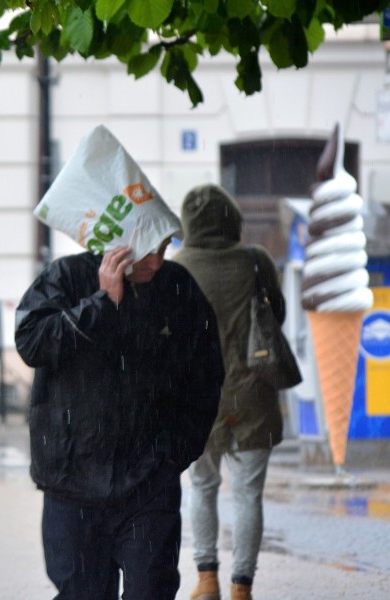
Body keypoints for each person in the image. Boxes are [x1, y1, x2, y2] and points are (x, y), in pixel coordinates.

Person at [15, 237, 224, 600]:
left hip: (149, 481)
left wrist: (175, 453)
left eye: (163, 248)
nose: (157, 262)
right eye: (148, 250)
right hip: (72, 481)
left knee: (152, 589)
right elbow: (32, 342)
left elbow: (205, 373)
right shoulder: (66, 276)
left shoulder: (176, 286)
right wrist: (101, 303)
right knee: (82, 593)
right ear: (120, 241)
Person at [173, 184, 285, 600]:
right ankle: (242, 585)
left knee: (201, 487)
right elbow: (279, 314)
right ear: (233, 217)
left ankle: (206, 581)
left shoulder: (178, 266)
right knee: (248, 493)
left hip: (197, 398)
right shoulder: (256, 261)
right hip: (253, 392)